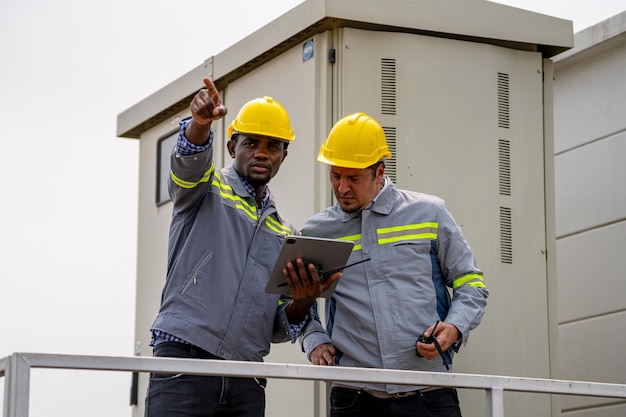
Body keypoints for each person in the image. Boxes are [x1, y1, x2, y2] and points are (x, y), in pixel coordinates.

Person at [145, 77, 336, 417]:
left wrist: (303, 301)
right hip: (185, 363)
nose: (262, 153)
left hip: (246, 377)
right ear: (232, 147)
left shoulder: (284, 232)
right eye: (251, 143)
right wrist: (200, 125)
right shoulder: (204, 188)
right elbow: (188, 165)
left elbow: (278, 324)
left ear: (283, 156)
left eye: (273, 146)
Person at [286, 112, 489, 417]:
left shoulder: (430, 213)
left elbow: (470, 282)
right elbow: (295, 298)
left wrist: (455, 326)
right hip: (354, 398)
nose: (342, 188)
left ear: (379, 172)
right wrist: (314, 339)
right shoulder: (318, 232)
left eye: (354, 178)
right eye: (335, 175)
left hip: (429, 392)